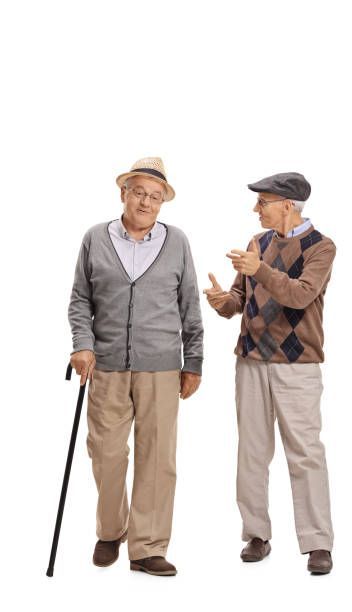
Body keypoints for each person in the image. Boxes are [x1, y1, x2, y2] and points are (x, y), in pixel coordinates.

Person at [68, 157, 203, 576]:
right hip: (105, 365)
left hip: (162, 366)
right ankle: (111, 531)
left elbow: (190, 306)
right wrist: (82, 345)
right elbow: (80, 301)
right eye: (139, 192)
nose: (146, 201)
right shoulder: (95, 237)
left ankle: (147, 547)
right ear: (123, 193)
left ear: (163, 203)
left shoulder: (177, 241)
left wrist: (193, 361)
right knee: (105, 454)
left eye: (155, 196)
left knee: (158, 457)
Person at [204, 172, 336, 574]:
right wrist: (221, 300)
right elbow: (240, 300)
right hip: (251, 361)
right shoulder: (256, 245)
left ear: (287, 205)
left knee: (305, 454)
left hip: (297, 366)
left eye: (262, 202)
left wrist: (259, 269)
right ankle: (256, 534)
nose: (255, 209)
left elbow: (299, 295)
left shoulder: (321, 247)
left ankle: (317, 543)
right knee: (252, 451)